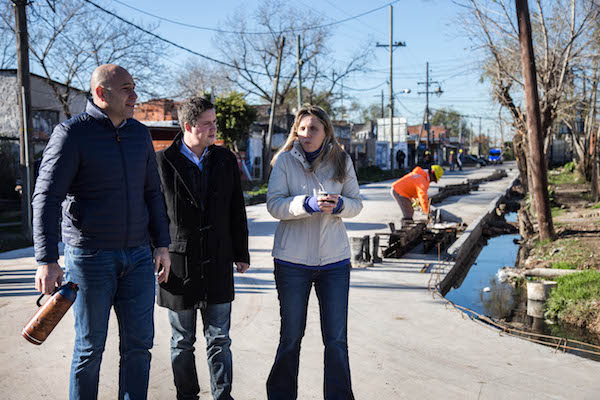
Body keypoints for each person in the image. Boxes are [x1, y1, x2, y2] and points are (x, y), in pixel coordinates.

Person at [32, 64, 171, 400]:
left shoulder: (139, 133)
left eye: (134, 87)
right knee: (89, 348)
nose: (135, 96)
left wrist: (162, 245)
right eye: (126, 89)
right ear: (100, 93)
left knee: (139, 347)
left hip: (138, 257)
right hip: (90, 257)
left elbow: (153, 192)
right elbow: (45, 197)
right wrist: (46, 258)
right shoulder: (71, 134)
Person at [155, 97, 250, 400]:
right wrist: (158, 250)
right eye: (208, 123)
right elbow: (154, 213)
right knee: (181, 340)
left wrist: (241, 252)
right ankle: (187, 395)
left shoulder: (224, 159)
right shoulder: (161, 162)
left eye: (214, 122)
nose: (214, 128)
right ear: (188, 126)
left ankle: (223, 395)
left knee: (219, 338)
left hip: (218, 259)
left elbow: (237, 208)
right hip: (177, 263)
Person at [266, 105, 363, 400]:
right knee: (291, 337)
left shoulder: (342, 160)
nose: (306, 134)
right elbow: (274, 205)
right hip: (291, 263)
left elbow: (357, 203)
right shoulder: (284, 161)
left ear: (326, 132)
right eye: (302, 128)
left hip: (334, 263)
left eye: (314, 129)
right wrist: (306, 204)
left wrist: (340, 206)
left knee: (335, 340)